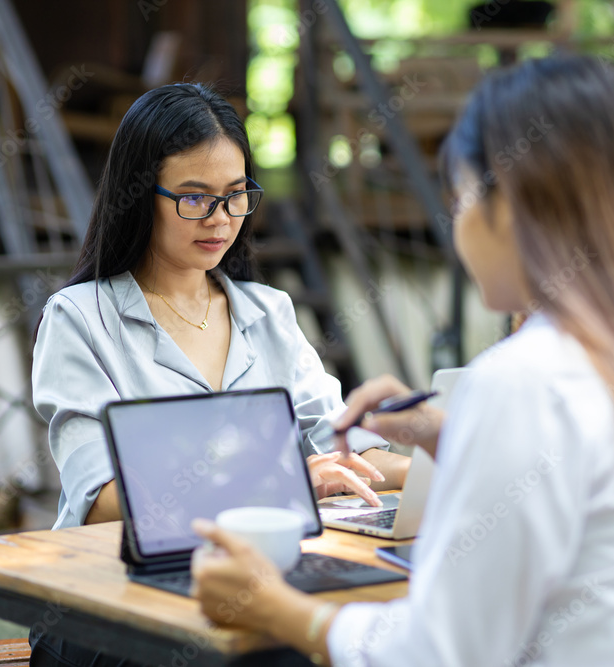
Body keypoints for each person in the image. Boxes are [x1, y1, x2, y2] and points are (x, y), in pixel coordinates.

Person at [192, 55, 614, 667]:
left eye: (460, 199)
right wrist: (454, 437)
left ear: (507, 204)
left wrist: (277, 607)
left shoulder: (525, 381)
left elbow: (440, 653)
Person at [29, 83, 410, 666]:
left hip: (247, 577)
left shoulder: (267, 311)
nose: (221, 218)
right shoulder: (80, 318)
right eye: (194, 198)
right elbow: (103, 498)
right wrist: (278, 483)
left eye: (236, 196)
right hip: (109, 596)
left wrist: (438, 461)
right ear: (139, 197)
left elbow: (341, 445)